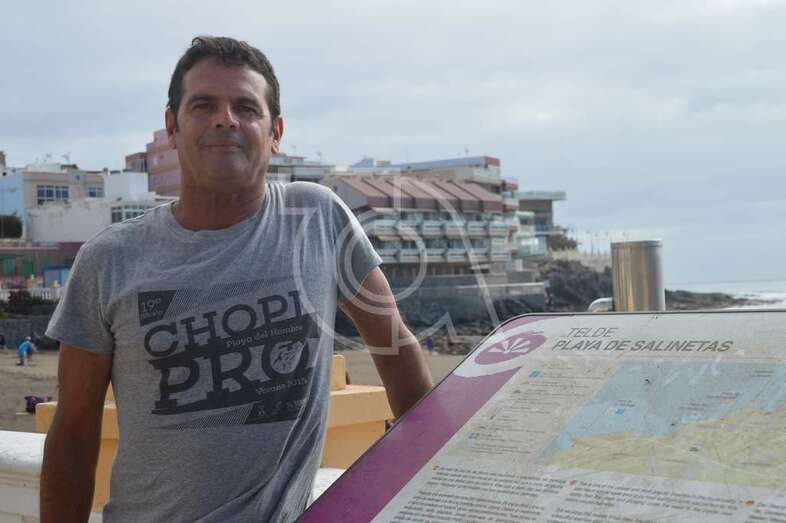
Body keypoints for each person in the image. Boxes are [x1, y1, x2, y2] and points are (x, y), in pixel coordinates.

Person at [40, 36, 433, 523]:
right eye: (203, 105)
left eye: (245, 107)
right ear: (172, 127)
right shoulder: (109, 260)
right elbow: (73, 433)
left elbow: (396, 349)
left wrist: (434, 471)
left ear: (275, 132)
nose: (225, 119)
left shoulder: (317, 218)